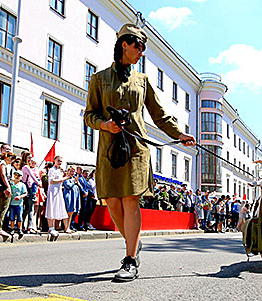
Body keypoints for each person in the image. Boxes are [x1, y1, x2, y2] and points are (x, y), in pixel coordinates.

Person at [84, 23, 196, 282]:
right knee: (112, 201)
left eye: (143, 47)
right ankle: (133, 241)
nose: (141, 52)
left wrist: (179, 134)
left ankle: (130, 258)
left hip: (136, 149)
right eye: (138, 46)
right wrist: (104, 125)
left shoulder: (142, 81)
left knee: (130, 200)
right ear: (124, 43)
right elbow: (89, 114)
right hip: (109, 149)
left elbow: (159, 114)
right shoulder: (99, 79)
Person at [0, 151, 17, 237]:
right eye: (12, 159)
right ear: (9, 157)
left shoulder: (0, 162)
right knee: (3, 208)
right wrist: (8, 187)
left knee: (0, 208)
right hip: (3, 187)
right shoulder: (3, 162)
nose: (12, 161)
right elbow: (3, 175)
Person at [45, 156, 70, 239]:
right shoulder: (52, 170)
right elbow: (51, 181)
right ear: (54, 161)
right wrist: (63, 179)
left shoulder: (60, 170)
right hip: (52, 191)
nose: (59, 163)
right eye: (58, 161)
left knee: (57, 207)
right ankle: (51, 227)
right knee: (51, 207)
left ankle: (56, 227)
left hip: (58, 191)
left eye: (61, 161)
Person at [8, 170, 27, 236]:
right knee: (12, 217)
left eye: (19, 175)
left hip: (19, 204)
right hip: (12, 203)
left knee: (19, 217)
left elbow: (25, 193)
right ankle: (12, 229)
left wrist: (20, 197)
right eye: (16, 175)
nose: (17, 177)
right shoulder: (11, 183)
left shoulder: (22, 185)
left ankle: (20, 229)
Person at [62, 167, 81, 233]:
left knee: (71, 213)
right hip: (68, 196)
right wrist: (74, 182)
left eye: (73, 171)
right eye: (71, 171)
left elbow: (79, 187)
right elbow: (68, 186)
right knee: (67, 212)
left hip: (74, 197)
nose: (72, 173)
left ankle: (68, 227)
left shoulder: (74, 179)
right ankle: (65, 227)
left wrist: (77, 182)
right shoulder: (66, 178)